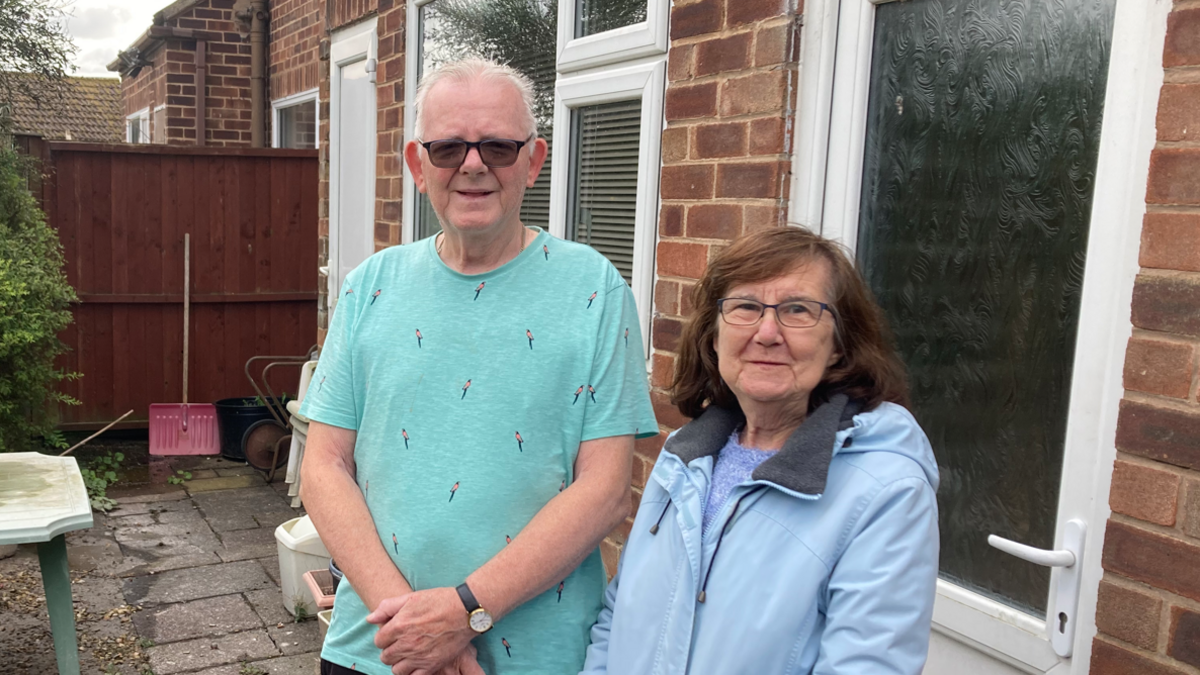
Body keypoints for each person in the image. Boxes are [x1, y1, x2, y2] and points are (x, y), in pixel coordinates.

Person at [299, 58, 657, 675]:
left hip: (540, 657)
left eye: (497, 145)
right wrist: (414, 626)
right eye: (447, 148)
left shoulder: (594, 289)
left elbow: (604, 493)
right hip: (379, 649)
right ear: (418, 164)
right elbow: (324, 467)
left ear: (533, 161)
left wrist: (463, 614)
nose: (472, 164)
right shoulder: (370, 287)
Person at [580, 227, 940, 674]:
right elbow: (617, 618)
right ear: (714, 336)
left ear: (838, 346)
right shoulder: (684, 456)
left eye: (798, 310)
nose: (767, 332)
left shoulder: (886, 491)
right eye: (746, 307)